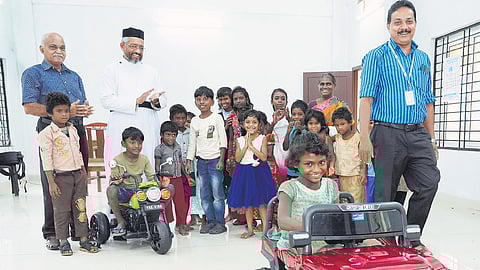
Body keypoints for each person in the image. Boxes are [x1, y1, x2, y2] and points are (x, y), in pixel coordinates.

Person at [358, 0, 440, 242]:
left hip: (418, 133)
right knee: (386, 192)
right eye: (398, 22)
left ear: (415, 24)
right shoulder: (376, 57)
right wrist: (364, 137)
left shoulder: (423, 59)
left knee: (429, 183)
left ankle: (410, 235)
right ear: (388, 26)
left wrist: (432, 138)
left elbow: (428, 102)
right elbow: (366, 100)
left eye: (409, 21)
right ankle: (386, 239)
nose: (404, 27)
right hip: (387, 133)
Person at [21, 32, 94, 250]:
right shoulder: (33, 74)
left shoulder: (74, 76)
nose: (59, 51)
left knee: (78, 182)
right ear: (42, 49)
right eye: (53, 47)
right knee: (54, 185)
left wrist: (82, 110)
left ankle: (77, 231)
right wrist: (63, 112)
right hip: (51, 132)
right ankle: (52, 232)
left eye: (62, 47)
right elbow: (29, 107)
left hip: (77, 131)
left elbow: (81, 103)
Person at [37, 92, 99, 256]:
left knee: (80, 207)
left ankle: (84, 239)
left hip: (77, 175)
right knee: (61, 210)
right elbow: (47, 159)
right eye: (59, 111)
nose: (64, 114)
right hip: (60, 178)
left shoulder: (73, 130)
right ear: (50, 113)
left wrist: (83, 173)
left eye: (66, 110)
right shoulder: (46, 134)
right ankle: (63, 241)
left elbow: (78, 153)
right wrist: (51, 182)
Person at [100, 27, 167, 170]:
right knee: (121, 166)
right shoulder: (111, 70)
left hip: (147, 123)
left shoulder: (152, 71)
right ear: (122, 46)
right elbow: (106, 100)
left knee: (148, 161)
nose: (138, 51)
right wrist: (135, 102)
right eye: (133, 46)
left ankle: (149, 192)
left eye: (141, 47)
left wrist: (156, 102)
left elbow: (163, 99)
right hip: (121, 122)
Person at [275, 131, 339, 249]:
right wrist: (316, 228)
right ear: (295, 163)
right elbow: (283, 221)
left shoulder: (331, 186)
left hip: (324, 244)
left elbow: (336, 216)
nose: (316, 169)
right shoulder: (289, 188)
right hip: (295, 245)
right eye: (309, 164)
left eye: (321, 163)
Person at [227, 110, 277, 239]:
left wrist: (252, 146)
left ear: (259, 124)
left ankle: (266, 230)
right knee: (247, 203)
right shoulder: (239, 140)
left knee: (262, 203)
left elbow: (264, 157)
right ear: (243, 124)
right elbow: (238, 158)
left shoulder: (262, 138)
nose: (251, 125)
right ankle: (250, 229)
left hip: (259, 172)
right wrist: (245, 146)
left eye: (254, 122)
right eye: (248, 122)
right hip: (244, 172)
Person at [186, 86, 228, 234]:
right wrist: (189, 160)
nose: (202, 102)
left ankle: (220, 223)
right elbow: (192, 143)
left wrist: (221, 160)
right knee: (204, 194)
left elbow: (223, 141)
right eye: (198, 99)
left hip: (215, 160)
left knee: (217, 194)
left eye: (205, 99)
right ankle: (210, 221)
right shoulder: (194, 121)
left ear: (211, 101)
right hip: (201, 162)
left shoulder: (216, 118)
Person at [106, 127, 156, 236]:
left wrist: (157, 183)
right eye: (132, 142)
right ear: (123, 144)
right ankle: (120, 221)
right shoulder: (117, 160)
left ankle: (157, 220)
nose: (137, 146)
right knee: (111, 189)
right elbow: (114, 180)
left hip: (139, 190)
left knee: (164, 190)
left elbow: (151, 176)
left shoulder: (144, 159)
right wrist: (118, 178)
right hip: (124, 191)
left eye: (139, 143)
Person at [155, 121, 192, 236]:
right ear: (162, 135)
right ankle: (166, 226)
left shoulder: (178, 147)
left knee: (180, 203)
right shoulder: (159, 149)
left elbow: (181, 163)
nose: (171, 138)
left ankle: (181, 225)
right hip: (166, 180)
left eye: (173, 135)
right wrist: (159, 179)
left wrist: (187, 176)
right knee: (166, 204)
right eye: (168, 135)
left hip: (178, 178)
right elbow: (157, 165)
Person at [331, 107, 366, 203]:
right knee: (344, 202)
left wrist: (363, 171)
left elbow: (363, 156)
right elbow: (327, 140)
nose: (339, 127)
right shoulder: (337, 138)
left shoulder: (357, 138)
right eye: (337, 125)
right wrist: (332, 157)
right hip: (342, 176)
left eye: (342, 124)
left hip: (355, 176)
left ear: (350, 122)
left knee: (356, 202)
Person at [169, 104, 192, 218]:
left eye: (183, 118)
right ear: (171, 119)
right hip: (175, 171)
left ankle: (184, 219)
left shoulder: (191, 132)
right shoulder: (169, 135)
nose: (181, 121)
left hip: (189, 169)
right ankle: (178, 221)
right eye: (177, 118)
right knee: (177, 197)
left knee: (187, 196)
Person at [265, 88, 289, 185]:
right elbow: (266, 137)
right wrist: (273, 123)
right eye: (277, 98)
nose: (280, 101)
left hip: (288, 152)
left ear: (286, 102)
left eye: (283, 99)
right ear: (272, 101)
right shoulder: (267, 118)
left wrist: (289, 119)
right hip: (275, 154)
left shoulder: (291, 118)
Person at [304, 109, 335, 176]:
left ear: (321, 124)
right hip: (309, 172)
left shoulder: (326, 139)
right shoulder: (304, 139)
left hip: (324, 172)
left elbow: (332, 156)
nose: (314, 126)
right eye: (311, 123)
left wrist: (331, 167)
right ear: (306, 125)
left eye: (316, 123)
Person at [282, 100, 308, 179]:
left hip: (305, 169)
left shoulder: (308, 129)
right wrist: (288, 131)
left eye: (300, 114)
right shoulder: (291, 128)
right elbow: (285, 147)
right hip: (292, 170)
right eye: (294, 114)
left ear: (306, 114)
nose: (296, 117)